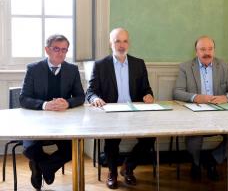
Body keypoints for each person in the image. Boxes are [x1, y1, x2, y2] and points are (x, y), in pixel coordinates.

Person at [86, 27, 155, 189]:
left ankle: (128, 167)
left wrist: (148, 95)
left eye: (124, 41)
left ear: (128, 43)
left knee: (150, 138)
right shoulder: (101, 65)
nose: (121, 45)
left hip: (135, 112)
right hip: (112, 113)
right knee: (111, 142)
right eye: (117, 41)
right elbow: (90, 91)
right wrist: (95, 98)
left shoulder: (139, 63)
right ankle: (112, 172)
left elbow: (147, 89)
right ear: (111, 43)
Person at [173, 35, 228, 181]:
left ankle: (212, 160)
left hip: (220, 113)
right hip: (196, 113)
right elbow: (177, 92)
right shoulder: (186, 67)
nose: (207, 53)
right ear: (196, 52)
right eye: (203, 49)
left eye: (210, 49)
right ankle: (196, 164)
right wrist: (195, 97)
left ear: (214, 50)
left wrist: (226, 97)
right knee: (194, 135)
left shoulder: (223, 66)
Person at [19, 34, 85, 190]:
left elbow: (80, 96)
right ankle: (44, 166)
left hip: (62, 123)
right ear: (47, 50)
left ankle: (42, 167)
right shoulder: (33, 69)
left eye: (64, 50)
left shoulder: (72, 69)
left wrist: (67, 103)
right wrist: (45, 105)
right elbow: (23, 98)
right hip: (35, 122)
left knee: (72, 149)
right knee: (29, 148)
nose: (60, 53)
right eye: (56, 49)